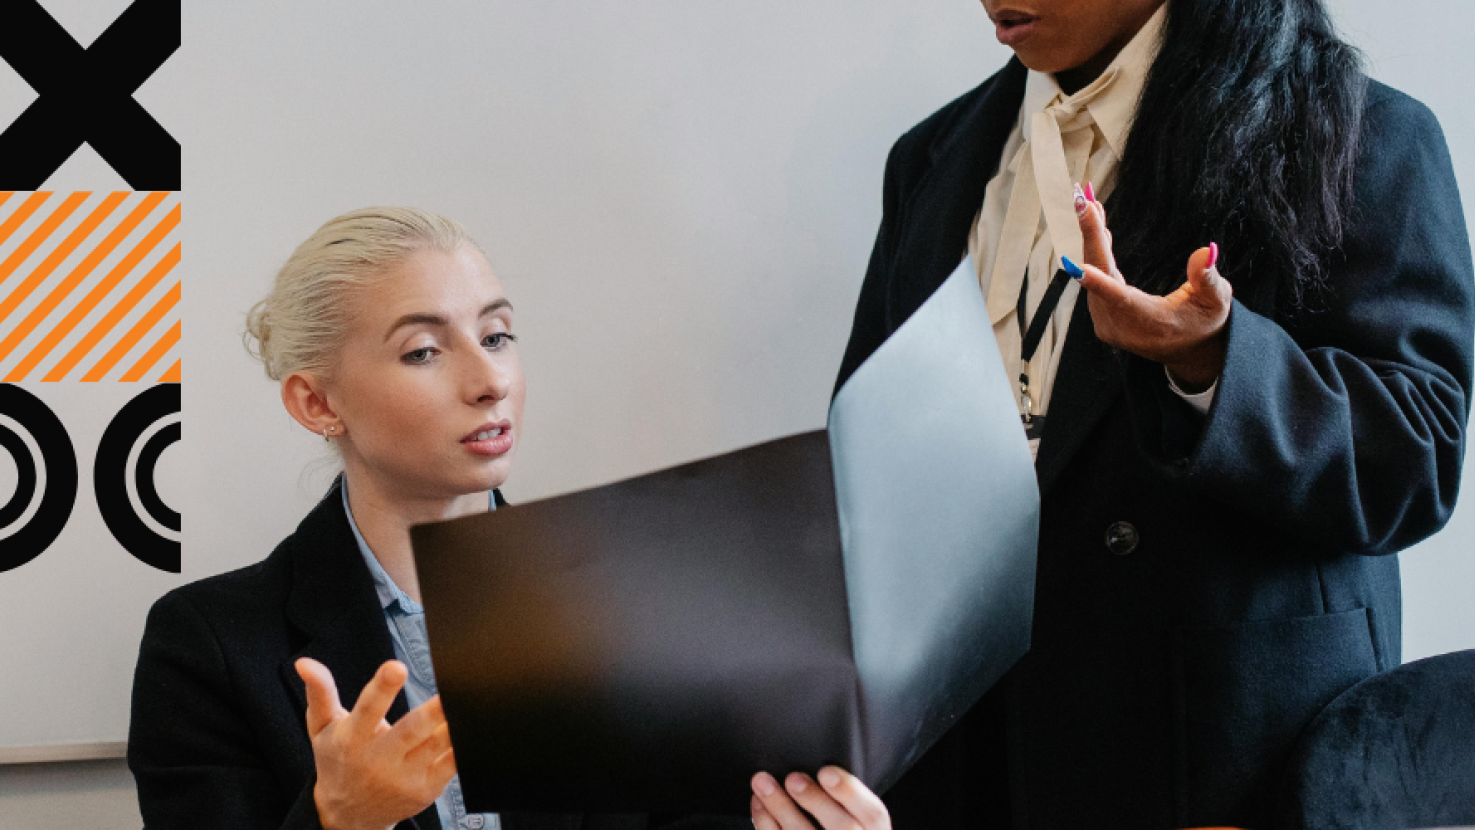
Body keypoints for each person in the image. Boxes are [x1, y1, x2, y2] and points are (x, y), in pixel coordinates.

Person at [834, 0, 1475, 828]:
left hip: (1216, 762)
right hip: (963, 754)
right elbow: (861, 455)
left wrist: (1213, 362)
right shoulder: (930, 158)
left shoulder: (1358, 133)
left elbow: (1415, 458)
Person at [126, 208, 762, 830]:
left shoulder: (632, 604)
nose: (490, 381)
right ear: (317, 401)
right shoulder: (209, 644)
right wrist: (341, 821)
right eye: (424, 351)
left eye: (496, 337)